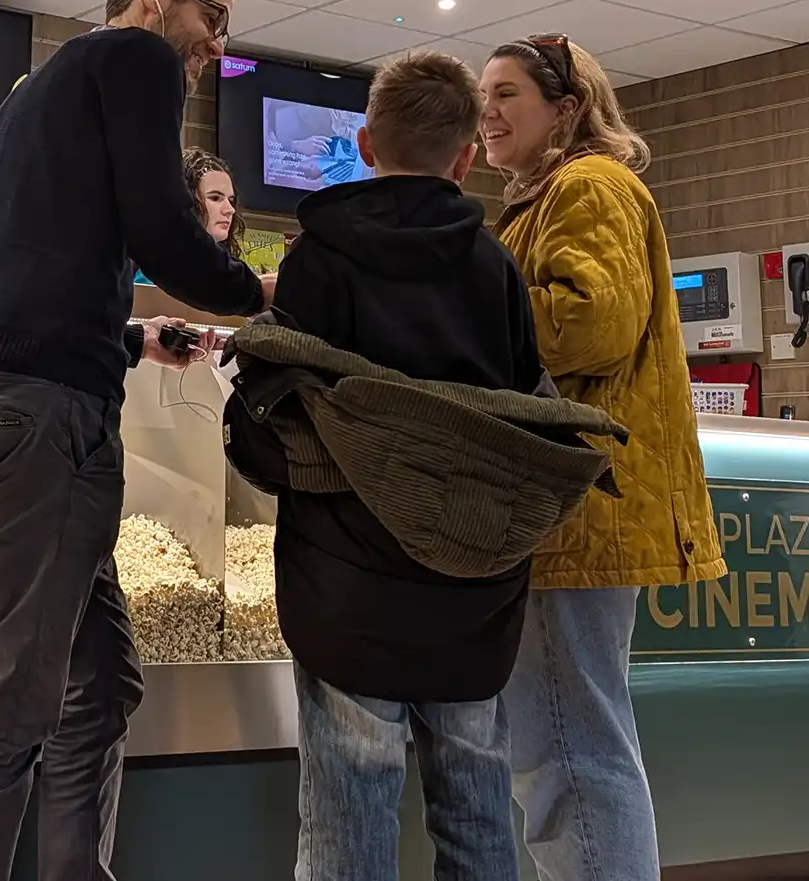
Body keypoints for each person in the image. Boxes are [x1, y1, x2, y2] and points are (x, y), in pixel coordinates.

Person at [0, 0, 274, 881]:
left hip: (5, 392)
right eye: (212, 17)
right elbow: (164, 227)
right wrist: (263, 294)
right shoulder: (137, 58)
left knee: (100, 681)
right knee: (6, 705)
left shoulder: (30, 94)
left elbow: (26, 265)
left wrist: (129, 336)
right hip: (41, 414)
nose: (217, 45)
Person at [225, 51, 622, 880]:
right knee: (478, 815)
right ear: (466, 157)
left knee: (346, 824)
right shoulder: (496, 267)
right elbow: (527, 417)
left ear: (365, 144)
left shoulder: (318, 258)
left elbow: (271, 434)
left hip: (345, 592)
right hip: (473, 594)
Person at [480, 34, 725, 880]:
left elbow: (593, 322)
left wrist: (464, 312)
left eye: (506, 93)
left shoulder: (590, 185)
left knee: (568, 752)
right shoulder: (545, 196)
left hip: (576, 509)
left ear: (567, 108)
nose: (486, 112)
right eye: (483, 95)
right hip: (565, 509)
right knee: (565, 747)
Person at [134, 147, 241, 286]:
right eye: (215, 198)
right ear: (185, 201)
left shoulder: (221, 271)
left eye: (231, 200)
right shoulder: (154, 275)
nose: (230, 210)